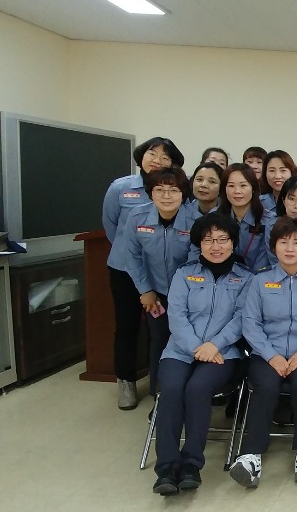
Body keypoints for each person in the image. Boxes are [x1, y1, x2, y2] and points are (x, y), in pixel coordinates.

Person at [230, 217, 297, 488]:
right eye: (283, 242)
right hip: (267, 353)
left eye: (296, 242)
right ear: (273, 246)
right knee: (265, 385)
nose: (290, 248)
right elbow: (250, 323)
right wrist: (271, 355)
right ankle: (251, 456)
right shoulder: (260, 280)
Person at [151, 213, 251, 496]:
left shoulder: (246, 278)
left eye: (222, 239)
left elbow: (242, 318)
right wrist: (198, 347)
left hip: (224, 354)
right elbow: (176, 316)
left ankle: (191, 464)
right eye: (208, 240)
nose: (215, 246)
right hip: (180, 350)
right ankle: (167, 468)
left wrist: (215, 345)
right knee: (171, 390)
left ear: (233, 242)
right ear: (199, 244)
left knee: (197, 389)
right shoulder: (184, 274)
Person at [103, 137, 184, 410]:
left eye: (165, 156)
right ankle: (126, 381)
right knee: (127, 326)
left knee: (158, 331)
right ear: (141, 156)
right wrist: (135, 262)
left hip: (164, 276)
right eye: (152, 153)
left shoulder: (177, 195)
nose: (158, 160)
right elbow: (111, 226)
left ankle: (158, 384)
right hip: (127, 270)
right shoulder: (121, 187)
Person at [119, 167, 201, 397]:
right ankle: (159, 393)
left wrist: (181, 296)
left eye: (173, 190)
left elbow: (195, 261)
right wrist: (145, 290)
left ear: (183, 193)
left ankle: (189, 393)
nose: (166, 196)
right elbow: (131, 257)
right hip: (155, 294)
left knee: (188, 340)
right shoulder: (137, 217)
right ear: (150, 193)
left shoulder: (195, 221)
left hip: (188, 294)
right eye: (160, 190)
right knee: (159, 341)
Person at [219, 164, 271, 272]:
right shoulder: (214, 217)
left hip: (259, 277)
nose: (237, 191)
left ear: (253, 188)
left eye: (243, 185)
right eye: (231, 186)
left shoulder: (269, 220)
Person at [259, 149, 297, 214]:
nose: (277, 176)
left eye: (283, 170)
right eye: (272, 170)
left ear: (292, 172)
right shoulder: (259, 203)